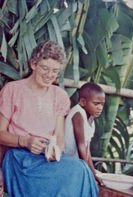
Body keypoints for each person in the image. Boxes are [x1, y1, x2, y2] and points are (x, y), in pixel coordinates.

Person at [0, 40, 98, 197]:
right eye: (45, 69)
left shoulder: (59, 96)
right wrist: (25, 141)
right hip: (19, 158)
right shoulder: (12, 90)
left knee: (80, 169)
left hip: (47, 157)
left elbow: (59, 138)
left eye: (55, 71)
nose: (49, 75)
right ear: (33, 64)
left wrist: (55, 152)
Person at [64, 82, 105, 185]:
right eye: (96, 104)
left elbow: (87, 151)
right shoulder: (78, 114)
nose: (100, 108)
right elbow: (81, 146)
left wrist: (93, 172)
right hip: (65, 161)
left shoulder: (91, 119)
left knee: (98, 178)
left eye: (102, 104)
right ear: (83, 102)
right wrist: (88, 172)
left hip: (76, 162)